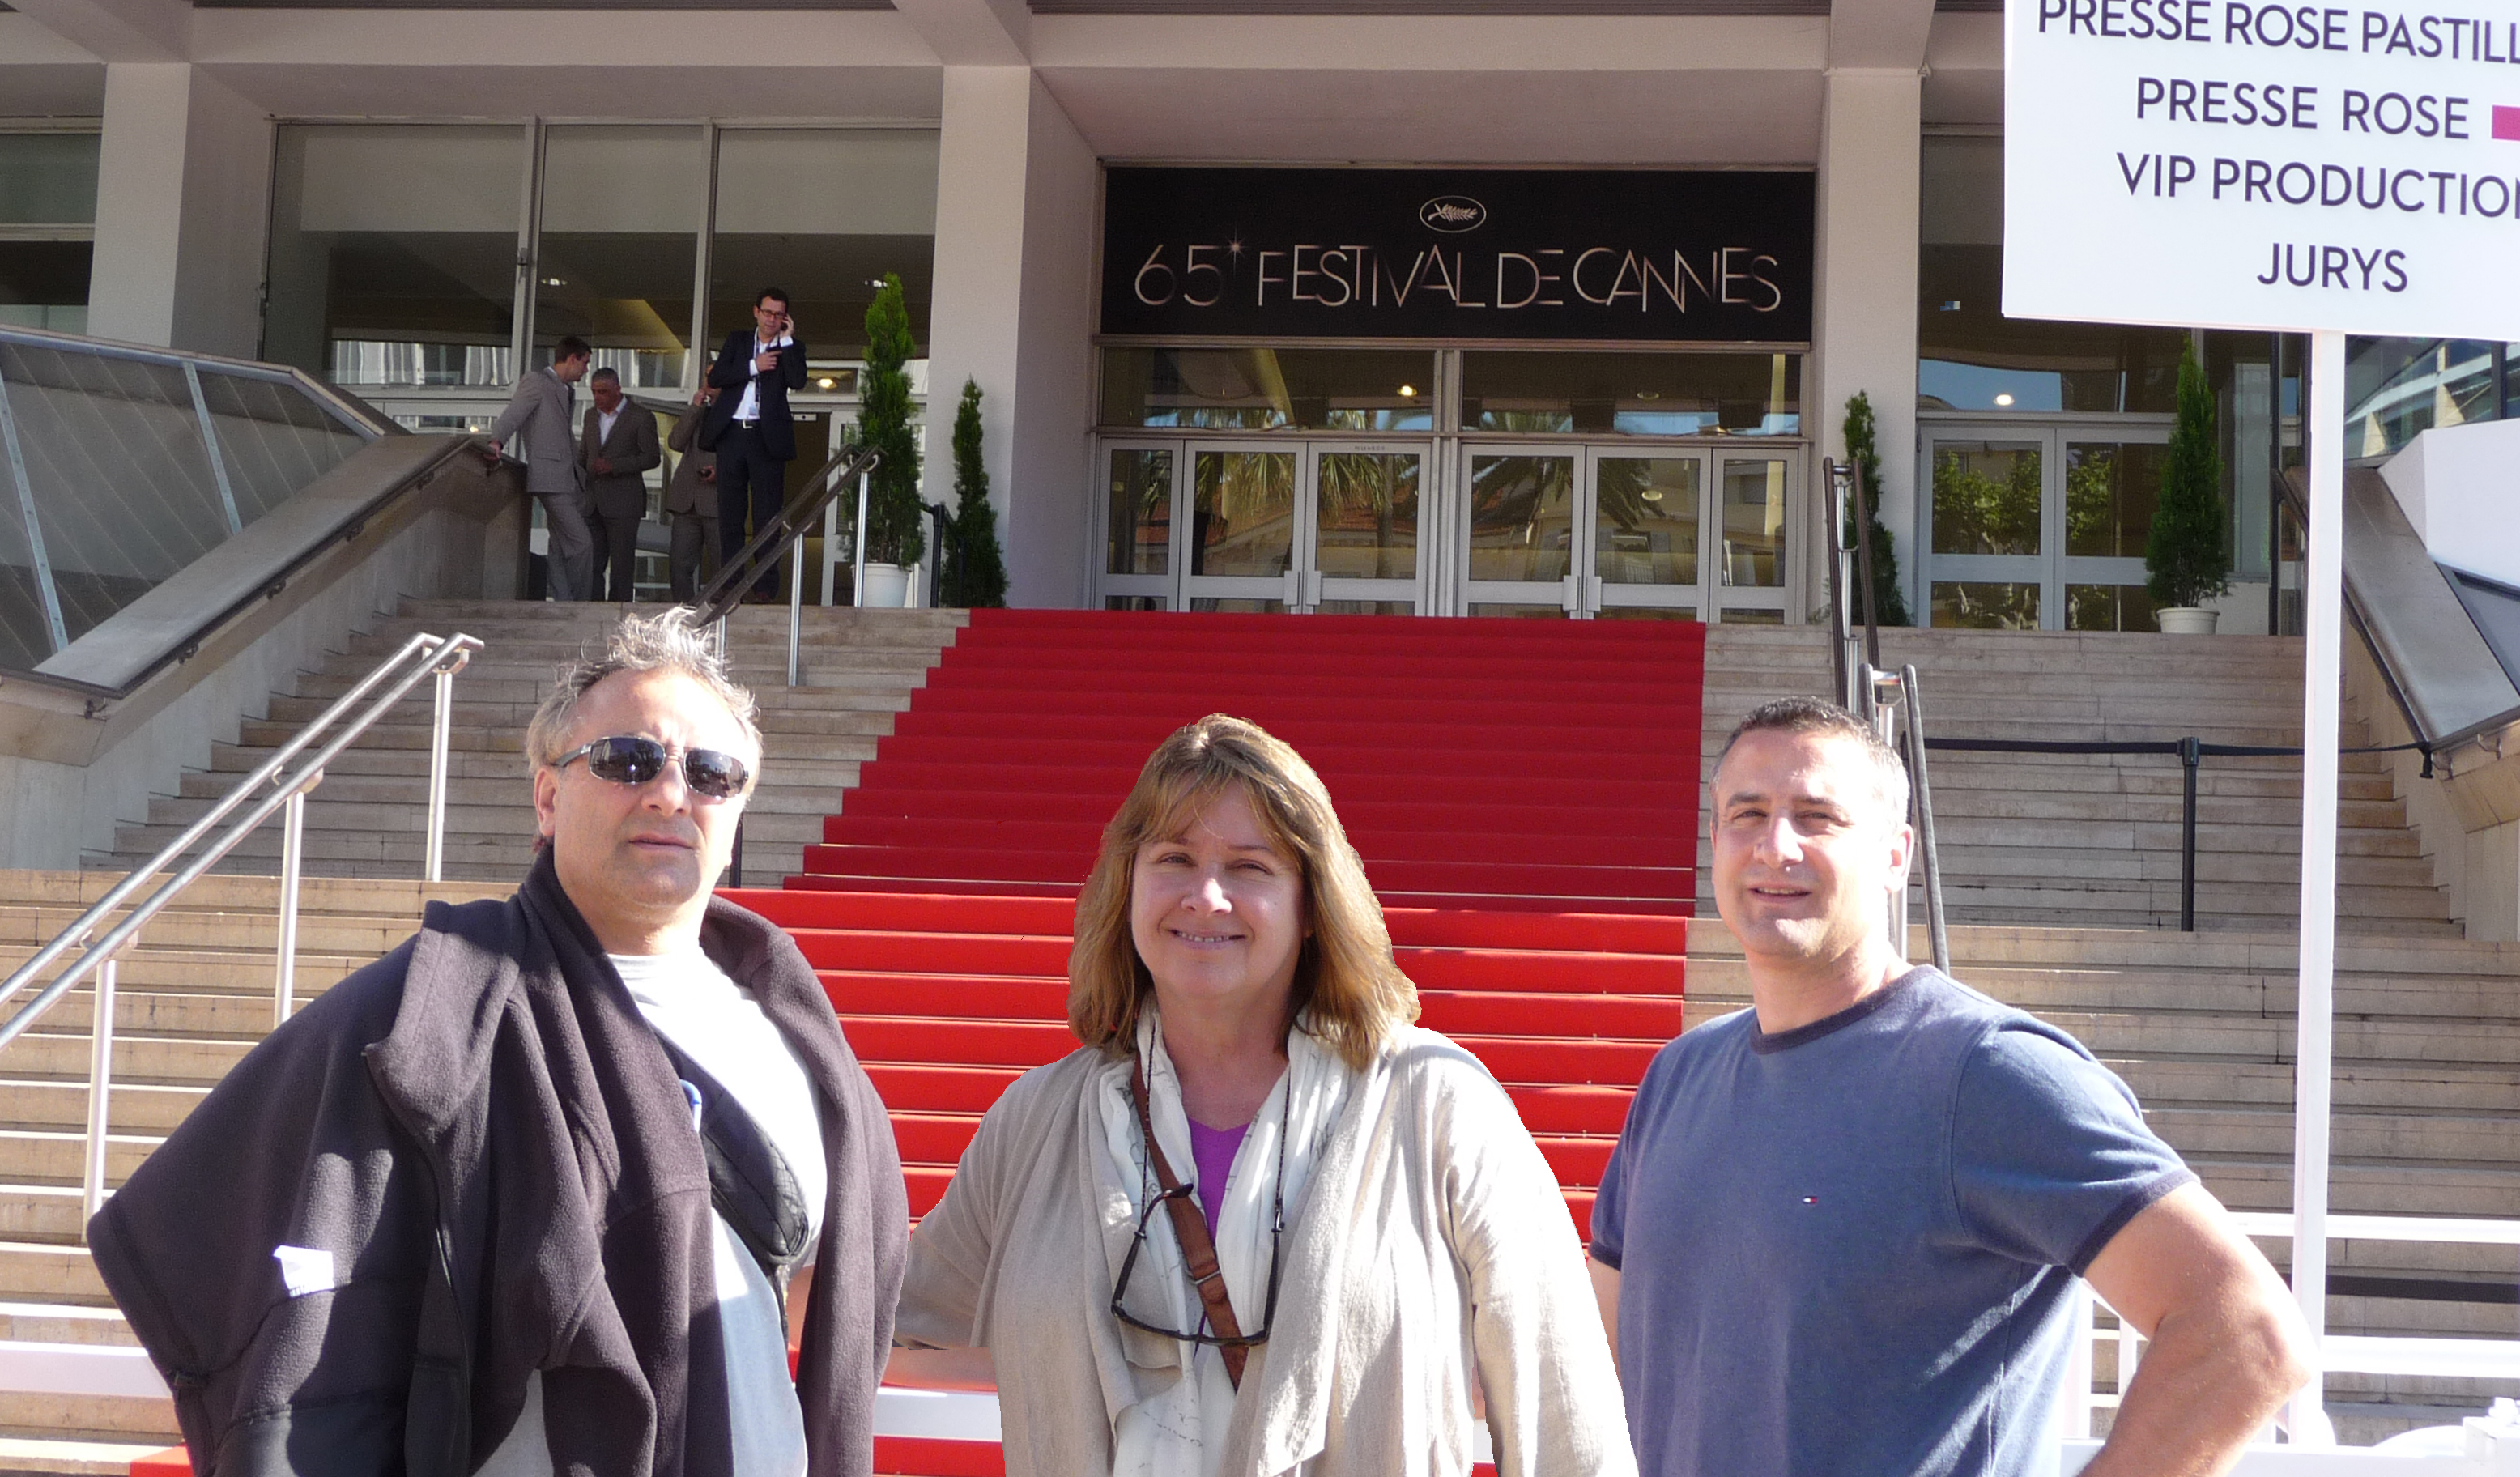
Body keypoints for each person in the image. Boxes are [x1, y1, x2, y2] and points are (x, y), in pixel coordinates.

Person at [88, 608, 909, 1477]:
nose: (671, 793)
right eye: (628, 760)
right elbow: (230, 1241)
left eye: (710, 773)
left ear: (738, 806)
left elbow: (811, 1289)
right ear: (548, 796)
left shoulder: (795, 1034)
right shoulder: (434, 1008)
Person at [889, 713, 1633, 1477]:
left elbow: (1564, 1414)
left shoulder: (1438, 1105)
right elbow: (892, 1314)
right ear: (1128, 883)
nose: (1206, 897)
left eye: (1249, 867)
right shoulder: (1038, 1122)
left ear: (1312, 907)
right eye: (1174, 857)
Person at [1588, 696, 2311, 1477]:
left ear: (1896, 856)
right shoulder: (1678, 1078)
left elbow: (2247, 1334)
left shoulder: (1986, 1074)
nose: (1775, 846)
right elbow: (1591, 1358)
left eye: (1818, 817)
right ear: (1715, 840)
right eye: (1748, 813)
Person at [702, 288, 807, 600]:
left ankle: (765, 585)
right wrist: (753, 365)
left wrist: (786, 343)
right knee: (730, 514)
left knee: (767, 516)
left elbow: (798, 380)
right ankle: (731, 581)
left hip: (767, 438)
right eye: (768, 312)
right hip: (732, 434)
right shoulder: (737, 341)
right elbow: (717, 376)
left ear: (785, 318)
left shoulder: (792, 346)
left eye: (779, 315)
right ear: (756, 312)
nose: (772, 319)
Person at [485, 335, 597, 602]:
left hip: (565, 478)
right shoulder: (537, 382)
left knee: (559, 548)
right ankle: (580, 605)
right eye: (585, 362)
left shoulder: (565, 390)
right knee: (582, 544)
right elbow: (515, 412)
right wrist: (496, 440)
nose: (586, 369)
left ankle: (561, 602)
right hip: (549, 478)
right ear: (572, 359)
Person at [580, 367, 662, 602]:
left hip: (624, 503)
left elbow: (652, 457)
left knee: (621, 567)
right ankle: (592, 610)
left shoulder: (641, 417)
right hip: (593, 501)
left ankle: (619, 614)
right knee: (592, 564)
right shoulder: (589, 416)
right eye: (594, 392)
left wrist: (615, 466)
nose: (598, 397)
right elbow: (584, 453)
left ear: (618, 389)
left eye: (603, 392)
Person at [666, 385, 722, 603]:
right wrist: (694, 408)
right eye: (707, 377)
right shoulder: (698, 412)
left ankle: (719, 614)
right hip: (686, 501)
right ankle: (683, 612)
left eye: (714, 377)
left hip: (717, 501)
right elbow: (675, 442)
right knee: (679, 563)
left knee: (722, 565)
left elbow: (745, 455)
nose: (710, 383)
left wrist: (722, 472)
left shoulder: (737, 411)